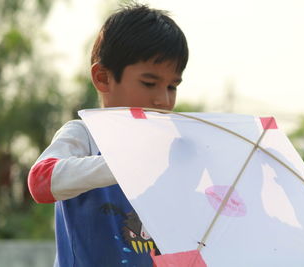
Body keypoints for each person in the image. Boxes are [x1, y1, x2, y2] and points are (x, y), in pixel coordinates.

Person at [27, 3, 188, 266]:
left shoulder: (172, 152)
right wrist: (124, 163)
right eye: (149, 83)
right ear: (103, 78)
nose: (163, 99)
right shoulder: (85, 136)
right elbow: (41, 182)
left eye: (172, 86)